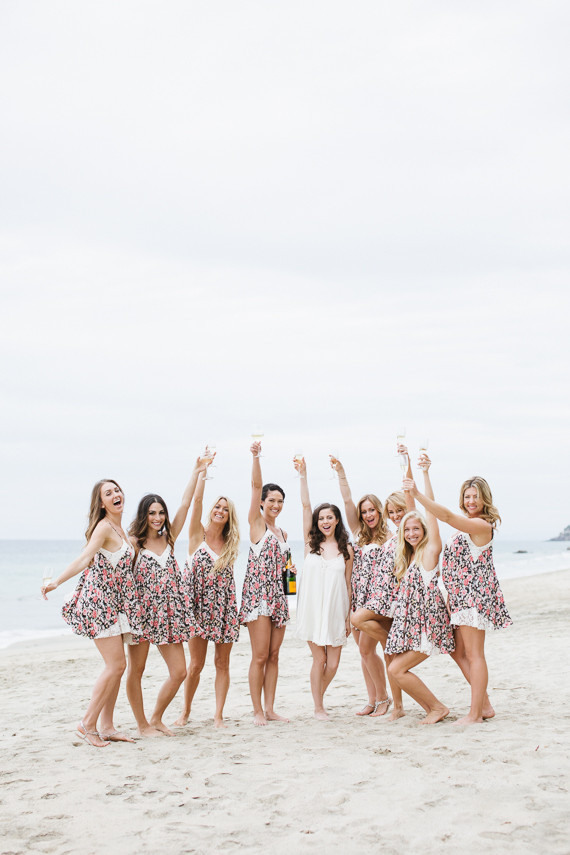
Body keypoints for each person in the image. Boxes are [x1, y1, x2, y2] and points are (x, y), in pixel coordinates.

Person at [42, 479, 142, 747]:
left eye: (117, 490)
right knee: (116, 665)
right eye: (108, 493)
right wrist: (56, 582)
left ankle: (106, 726)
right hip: (100, 604)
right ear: (101, 503)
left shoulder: (120, 529)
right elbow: (84, 558)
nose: (115, 495)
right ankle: (87, 724)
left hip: (117, 604)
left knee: (117, 668)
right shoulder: (104, 528)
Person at [410, 474, 511, 725]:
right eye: (467, 496)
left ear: (485, 498)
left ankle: (475, 714)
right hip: (458, 598)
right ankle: (484, 706)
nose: (471, 500)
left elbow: (444, 516)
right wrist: (424, 473)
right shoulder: (465, 524)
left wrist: (417, 495)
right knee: (456, 650)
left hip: (474, 598)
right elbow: (438, 514)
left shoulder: (482, 525)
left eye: (476, 496)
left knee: (475, 655)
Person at [126, 458, 205, 737]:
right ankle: (142, 725)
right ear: (143, 515)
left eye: (160, 512)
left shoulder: (169, 538)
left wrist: (196, 471)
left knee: (180, 671)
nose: (157, 517)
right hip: (142, 615)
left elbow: (185, 504)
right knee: (136, 670)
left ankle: (157, 718)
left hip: (169, 615)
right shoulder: (134, 543)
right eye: (152, 513)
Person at [350, 446, 420, 721]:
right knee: (386, 655)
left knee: (374, 639)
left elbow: (412, 505)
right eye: (391, 511)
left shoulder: (405, 535)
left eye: (397, 511)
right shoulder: (372, 536)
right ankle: (396, 707)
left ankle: (389, 702)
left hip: (391, 601)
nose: (395, 515)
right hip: (372, 597)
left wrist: (408, 463)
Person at [173, 462, 241, 729]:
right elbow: (196, 500)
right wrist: (202, 472)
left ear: (229, 515)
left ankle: (218, 716)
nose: (220, 511)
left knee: (222, 663)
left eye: (225, 509)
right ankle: (185, 711)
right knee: (196, 665)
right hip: (197, 609)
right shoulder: (196, 535)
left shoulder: (231, 543)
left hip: (223, 609)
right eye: (217, 507)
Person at [385, 493, 454, 724]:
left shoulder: (429, 552)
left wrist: (421, 479)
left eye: (416, 528)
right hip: (414, 626)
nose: (411, 533)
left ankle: (437, 707)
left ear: (424, 530)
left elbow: (431, 514)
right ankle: (433, 709)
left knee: (396, 669)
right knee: (396, 669)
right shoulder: (409, 556)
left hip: (429, 624)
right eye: (407, 530)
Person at [294, 456, 353, 720]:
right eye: (321, 518)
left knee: (334, 664)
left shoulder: (346, 549)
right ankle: (318, 707)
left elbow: (348, 583)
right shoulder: (310, 544)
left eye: (330, 517)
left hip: (336, 610)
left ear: (337, 520)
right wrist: (303, 474)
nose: (325, 521)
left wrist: (349, 615)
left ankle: (317, 695)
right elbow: (306, 505)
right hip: (312, 609)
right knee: (319, 661)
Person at [331, 455, 391, 717]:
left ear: (380, 511)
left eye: (371, 510)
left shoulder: (391, 537)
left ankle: (384, 699)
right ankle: (373, 699)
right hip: (357, 597)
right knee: (364, 653)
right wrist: (341, 474)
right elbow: (346, 501)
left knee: (368, 649)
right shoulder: (358, 534)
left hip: (377, 600)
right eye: (364, 511)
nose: (367, 515)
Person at [238, 441, 291, 726]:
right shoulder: (256, 524)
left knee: (273, 655)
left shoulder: (283, 532)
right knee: (259, 655)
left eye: (280, 501)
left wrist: (290, 591)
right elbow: (255, 484)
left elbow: (287, 572)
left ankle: (270, 709)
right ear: (262, 502)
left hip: (279, 599)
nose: (275, 505)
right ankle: (257, 710)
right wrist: (256, 457)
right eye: (271, 500)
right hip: (258, 598)